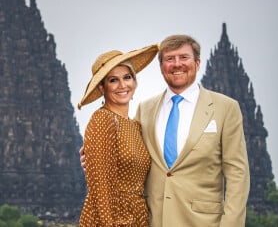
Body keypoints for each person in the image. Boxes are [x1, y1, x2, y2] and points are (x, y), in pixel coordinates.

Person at [81, 34, 250, 227]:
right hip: (150, 219)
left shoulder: (225, 108)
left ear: (197, 63)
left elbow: (238, 174)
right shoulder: (145, 110)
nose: (177, 64)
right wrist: (93, 157)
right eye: (170, 59)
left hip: (201, 221)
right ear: (161, 67)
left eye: (184, 57)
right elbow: (113, 162)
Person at [77, 44, 159, 227]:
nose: (122, 85)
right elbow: (100, 187)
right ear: (102, 88)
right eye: (113, 80)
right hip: (110, 217)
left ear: (135, 82)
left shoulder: (136, 126)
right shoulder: (102, 119)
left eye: (127, 77)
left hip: (138, 215)